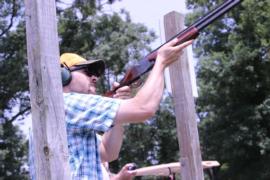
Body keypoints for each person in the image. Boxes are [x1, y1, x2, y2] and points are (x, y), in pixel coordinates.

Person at [29, 38, 192, 179]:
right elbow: (144, 108)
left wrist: (117, 115)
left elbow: (108, 152)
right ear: (63, 75)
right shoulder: (66, 103)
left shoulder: (67, 112)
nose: (94, 78)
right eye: (87, 72)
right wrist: (161, 63)